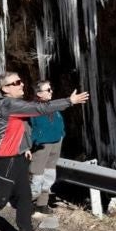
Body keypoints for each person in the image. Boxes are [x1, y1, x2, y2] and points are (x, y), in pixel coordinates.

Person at [0, 72, 89, 231]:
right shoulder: (9, 104)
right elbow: (39, 109)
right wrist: (69, 101)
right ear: (5, 88)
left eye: (21, 81)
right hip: (5, 160)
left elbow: (21, 127)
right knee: (0, 200)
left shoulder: (15, 106)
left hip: (19, 156)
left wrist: (25, 147)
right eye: (16, 82)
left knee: (24, 196)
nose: (21, 84)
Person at [29, 80, 65, 214]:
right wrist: (34, 140)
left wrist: (62, 133)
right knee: (36, 174)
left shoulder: (52, 105)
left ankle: (42, 203)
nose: (51, 92)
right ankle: (28, 203)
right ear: (39, 93)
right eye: (48, 90)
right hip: (42, 144)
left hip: (56, 142)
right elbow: (27, 128)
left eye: (51, 89)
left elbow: (58, 120)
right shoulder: (32, 108)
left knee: (49, 174)